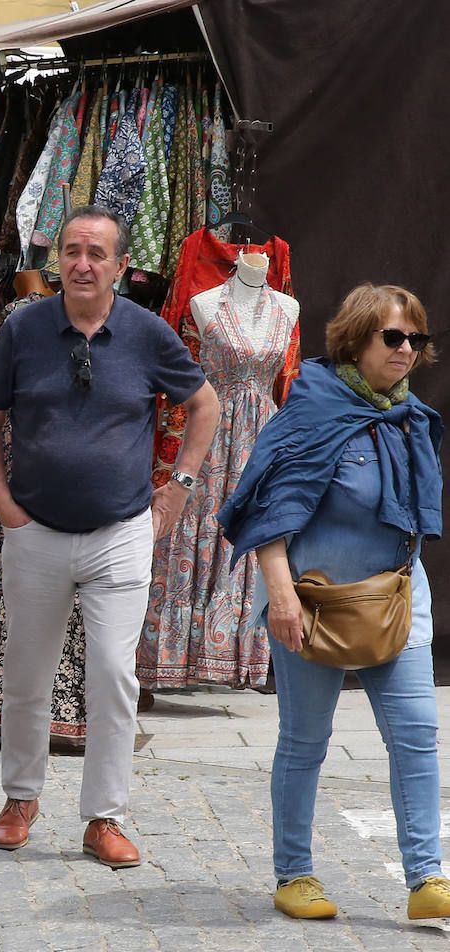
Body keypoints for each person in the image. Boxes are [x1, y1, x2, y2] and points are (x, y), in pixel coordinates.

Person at [0, 205, 219, 869]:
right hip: (37, 530)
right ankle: (21, 799)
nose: (82, 264)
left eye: (96, 253)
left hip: (120, 534)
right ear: (59, 262)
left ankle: (103, 818)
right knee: (27, 673)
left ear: (119, 266)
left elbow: (204, 405)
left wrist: (179, 488)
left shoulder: (146, 333)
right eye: (72, 251)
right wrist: (1, 500)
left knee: (113, 676)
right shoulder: (24, 330)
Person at [219, 284, 450, 922]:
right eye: (393, 337)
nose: (407, 350)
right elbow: (270, 512)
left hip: (396, 597)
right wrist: (281, 597)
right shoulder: (312, 412)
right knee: (305, 739)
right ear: (356, 340)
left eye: (416, 339)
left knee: (416, 737)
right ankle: (294, 875)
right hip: (312, 606)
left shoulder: (409, 418)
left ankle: (426, 877)